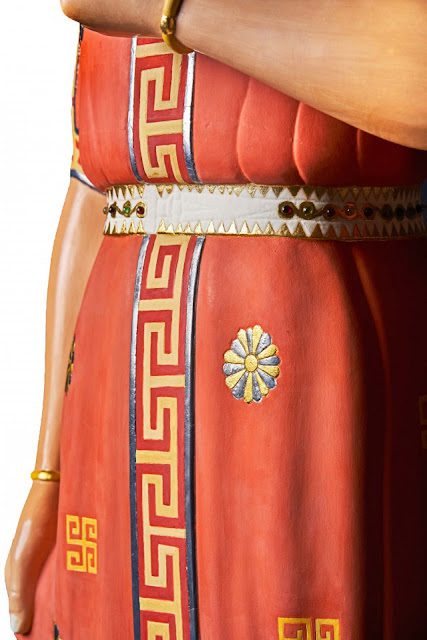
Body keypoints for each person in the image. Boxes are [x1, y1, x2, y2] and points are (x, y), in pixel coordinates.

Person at [5, 1, 427, 638]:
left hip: (305, 377)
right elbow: (96, 191)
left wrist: (165, 11)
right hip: (113, 397)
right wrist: (48, 473)